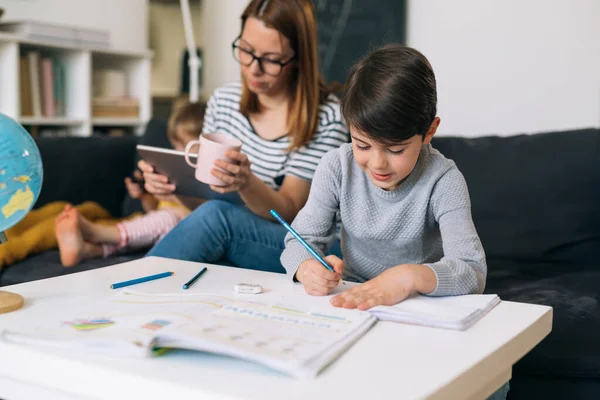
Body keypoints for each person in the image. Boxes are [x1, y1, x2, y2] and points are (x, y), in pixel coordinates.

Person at [280, 44, 509, 400]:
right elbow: (298, 240)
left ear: (429, 131)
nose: (377, 164)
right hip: (354, 306)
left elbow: (471, 271)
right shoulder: (335, 167)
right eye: (362, 144)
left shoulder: (443, 180)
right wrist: (307, 267)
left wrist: (408, 277)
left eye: (396, 149)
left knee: (495, 380)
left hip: (424, 309)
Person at [140, 0, 350, 273]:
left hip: (307, 245)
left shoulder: (326, 117)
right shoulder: (224, 100)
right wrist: (174, 186)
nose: (253, 68)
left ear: (299, 59)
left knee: (218, 221)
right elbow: (205, 204)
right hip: (244, 238)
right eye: (246, 51)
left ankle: (124, 290)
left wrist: (246, 182)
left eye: (272, 60)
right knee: (212, 254)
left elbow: (289, 213)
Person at [54, 102, 204, 267]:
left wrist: (175, 198)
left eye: (187, 146)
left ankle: (96, 233)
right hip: (160, 230)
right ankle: (87, 250)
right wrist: (145, 195)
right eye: (176, 146)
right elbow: (153, 211)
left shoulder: (206, 175)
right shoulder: (173, 169)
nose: (180, 152)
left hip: (184, 230)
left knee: (167, 220)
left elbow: (209, 213)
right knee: (150, 225)